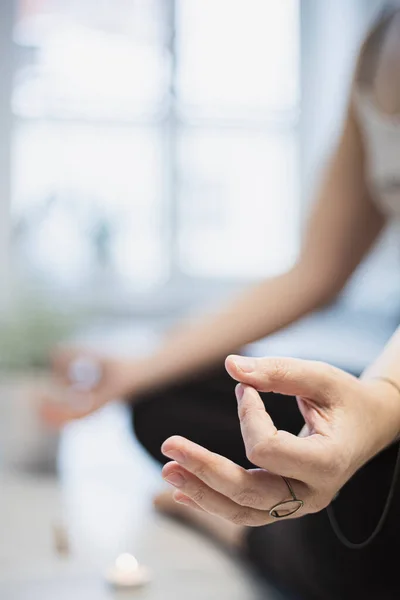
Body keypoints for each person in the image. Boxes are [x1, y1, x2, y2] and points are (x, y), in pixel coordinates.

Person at [41, 6, 400, 599]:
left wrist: (380, 408)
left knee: (367, 530)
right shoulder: (375, 45)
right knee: (163, 395)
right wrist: (136, 368)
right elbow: (315, 272)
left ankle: (244, 532)